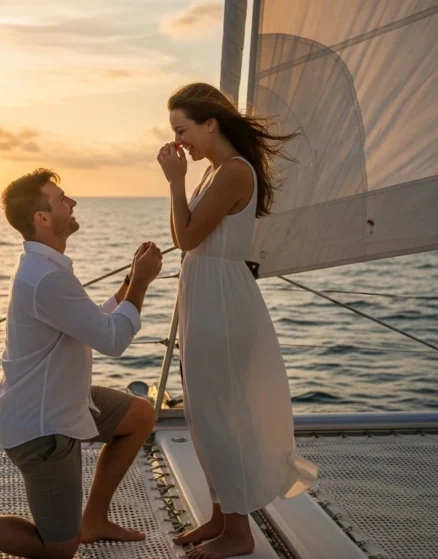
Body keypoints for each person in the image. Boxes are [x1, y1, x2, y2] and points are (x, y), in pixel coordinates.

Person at [0, 168, 163, 559]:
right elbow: (113, 340)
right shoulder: (46, 278)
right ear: (42, 218)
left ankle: (93, 520)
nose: (72, 202)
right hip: (43, 428)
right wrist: (143, 283)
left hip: (65, 400)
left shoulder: (47, 270)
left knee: (139, 416)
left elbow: (90, 324)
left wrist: (130, 281)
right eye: (62, 198)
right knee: (59, 549)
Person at [157, 83, 318, 559]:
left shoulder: (232, 173)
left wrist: (173, 180)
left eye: (182, 129)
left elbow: (185, 238)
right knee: (205, 414)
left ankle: (239, 533)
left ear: (211, 123)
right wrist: (181, 182)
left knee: (222, 416)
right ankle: (220, 516)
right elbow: (183, 231)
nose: (178, 140)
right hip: (207, 296)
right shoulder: (214, 173)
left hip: (221, 302)